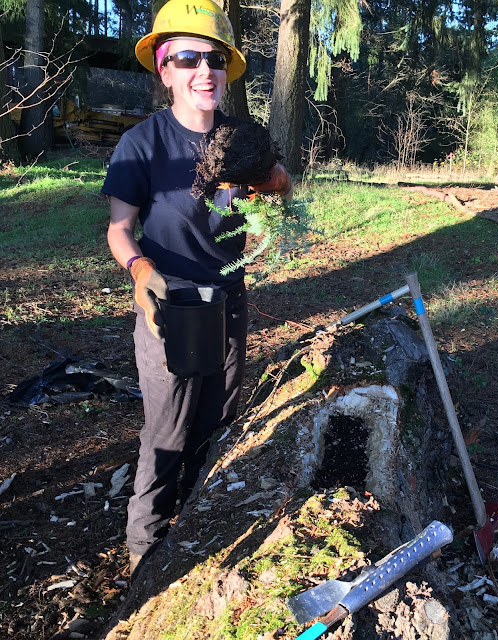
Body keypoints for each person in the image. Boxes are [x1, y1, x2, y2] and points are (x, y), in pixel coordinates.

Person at [101, 0, 292, 576]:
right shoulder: (143, 144)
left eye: (214, 58)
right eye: (187, 58)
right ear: (164, 69)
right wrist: (139, 271)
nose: (203, 70)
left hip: (228, 302)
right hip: (170, 304)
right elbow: (119, 228)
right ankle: (144, 547)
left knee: (219, 419)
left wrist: (269, 180)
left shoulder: (244, 138)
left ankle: (199, 517)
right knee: (167, 428)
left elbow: (280, 185)